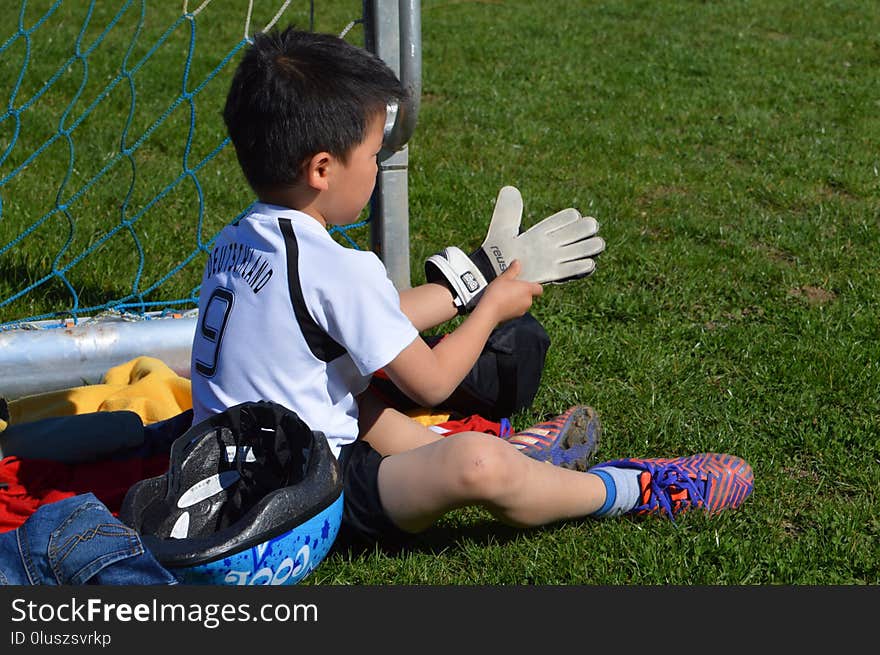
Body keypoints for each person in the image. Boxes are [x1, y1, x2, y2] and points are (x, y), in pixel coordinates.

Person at [190, 26, 753, 546]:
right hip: (302, 503)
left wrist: (480, 272)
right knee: (478, 465)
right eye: (371, 155)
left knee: (351, 387)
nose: (376, 166)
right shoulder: (337, 266)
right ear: (321, 169)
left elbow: (373, 319)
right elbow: (431, 384)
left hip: (216, 478)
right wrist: (489, 310)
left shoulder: (235, 241)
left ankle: (518, 461)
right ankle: (636, 489)